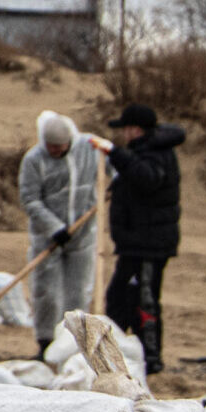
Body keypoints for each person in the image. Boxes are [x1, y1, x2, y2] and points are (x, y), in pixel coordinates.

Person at [104, 103, 185, 374]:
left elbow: (148, 179)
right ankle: (114, 354)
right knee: (118, 298)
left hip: (150, 244)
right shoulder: (142, 152)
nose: (124, 134)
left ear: (135, 129)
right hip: (133, 243)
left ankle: (151, 359)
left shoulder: (156, 152)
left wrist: (117, 155)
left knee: (144, 300)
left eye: (126, 128)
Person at [17, 110, 104, 347]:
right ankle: (45, 342)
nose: (54, 150)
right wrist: (54, 227)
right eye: (50, 146)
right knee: (46, 294)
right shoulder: (34, 160)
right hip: (48, 237)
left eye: (59, 146)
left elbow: (109, 166)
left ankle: (75, 345)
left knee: (78, 293)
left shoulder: (87, 149)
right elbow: (30, 199)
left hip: (82, 235)